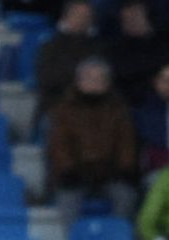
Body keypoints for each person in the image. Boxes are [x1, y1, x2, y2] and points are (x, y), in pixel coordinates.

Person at [46, 57, 138, 228]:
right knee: (67, 202)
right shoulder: (63, 110)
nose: (94, 83)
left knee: (127, 197)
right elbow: (59, 145)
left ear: (107, 83)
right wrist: (69, 171)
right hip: (74, 175)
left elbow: (127, 144)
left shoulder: (119, 110)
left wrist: (123, 169)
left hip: (110, 174)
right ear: (78, 81)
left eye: (99, 79)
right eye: (89, 78)